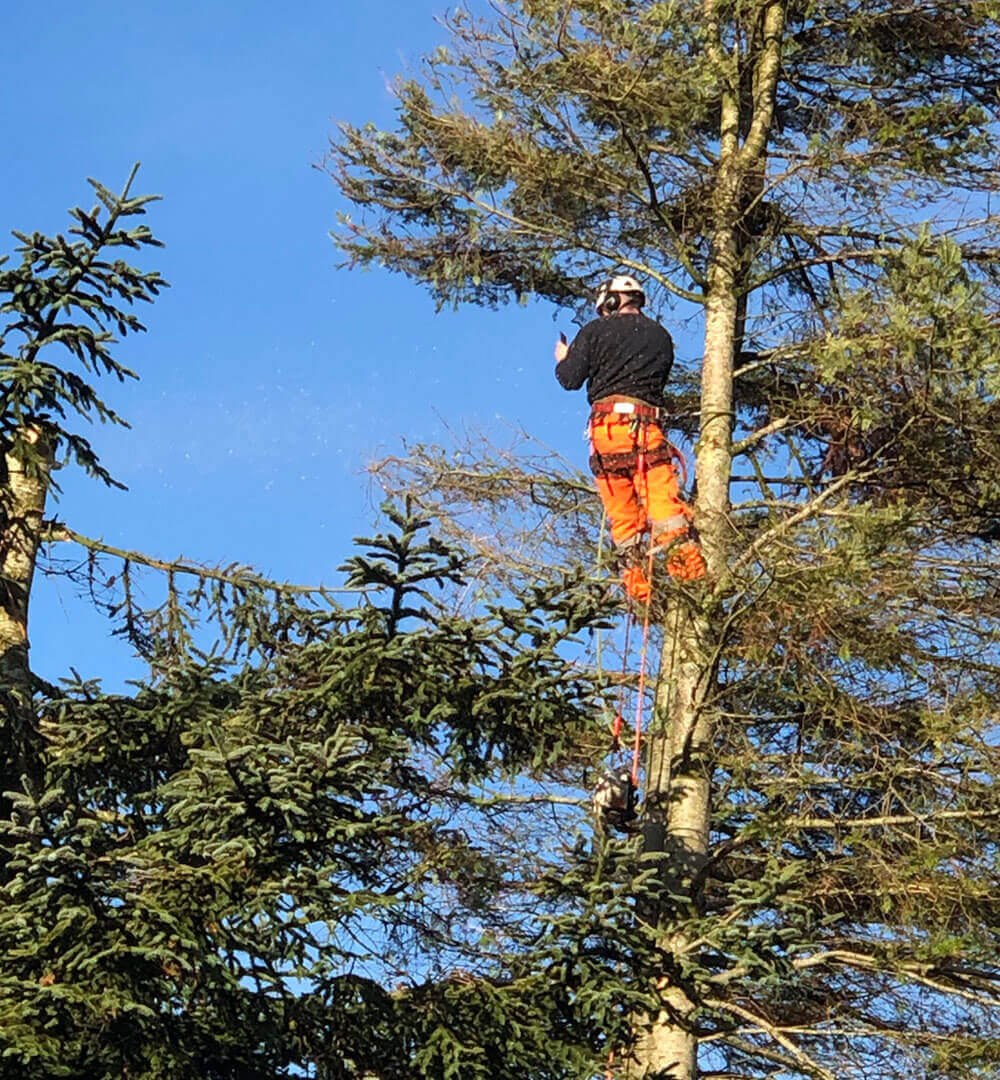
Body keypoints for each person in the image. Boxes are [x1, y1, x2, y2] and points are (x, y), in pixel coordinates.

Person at [554, 274, 706, 602]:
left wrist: (564, 359)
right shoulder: (661, 337)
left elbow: (569, 380)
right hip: (645, 427)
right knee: (666, 508)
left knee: (623, 517)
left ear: (609, 302)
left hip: (606, 431)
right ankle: (690, 577)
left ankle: (638, 591)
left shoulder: (595, 331)